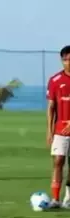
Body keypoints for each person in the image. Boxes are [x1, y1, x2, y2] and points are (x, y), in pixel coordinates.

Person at [46, 45, 70, 208]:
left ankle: (68, 198)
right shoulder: (55, 80)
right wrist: (49, 130)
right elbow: (51, 107)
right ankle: (55, 199)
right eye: (65, 59)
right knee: (58, 161)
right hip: (60, 130)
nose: (68, 62)